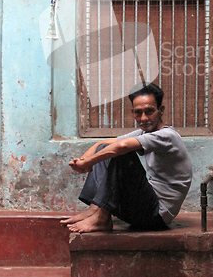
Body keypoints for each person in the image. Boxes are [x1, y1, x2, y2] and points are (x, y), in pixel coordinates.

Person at [61, 83, 193, 233]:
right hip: (141, 210)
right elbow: (103, 143)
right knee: (105, 149)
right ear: (133, 112)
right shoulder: (145, 132)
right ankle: (94, 209)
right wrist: (83, 162)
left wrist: (91, 162)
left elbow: (121, 146)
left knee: (121, 152)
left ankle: (102, 219)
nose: (144, 118)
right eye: (138, 113)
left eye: (149, 111)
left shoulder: (167, 136)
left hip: (156, 215)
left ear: (160, 110)